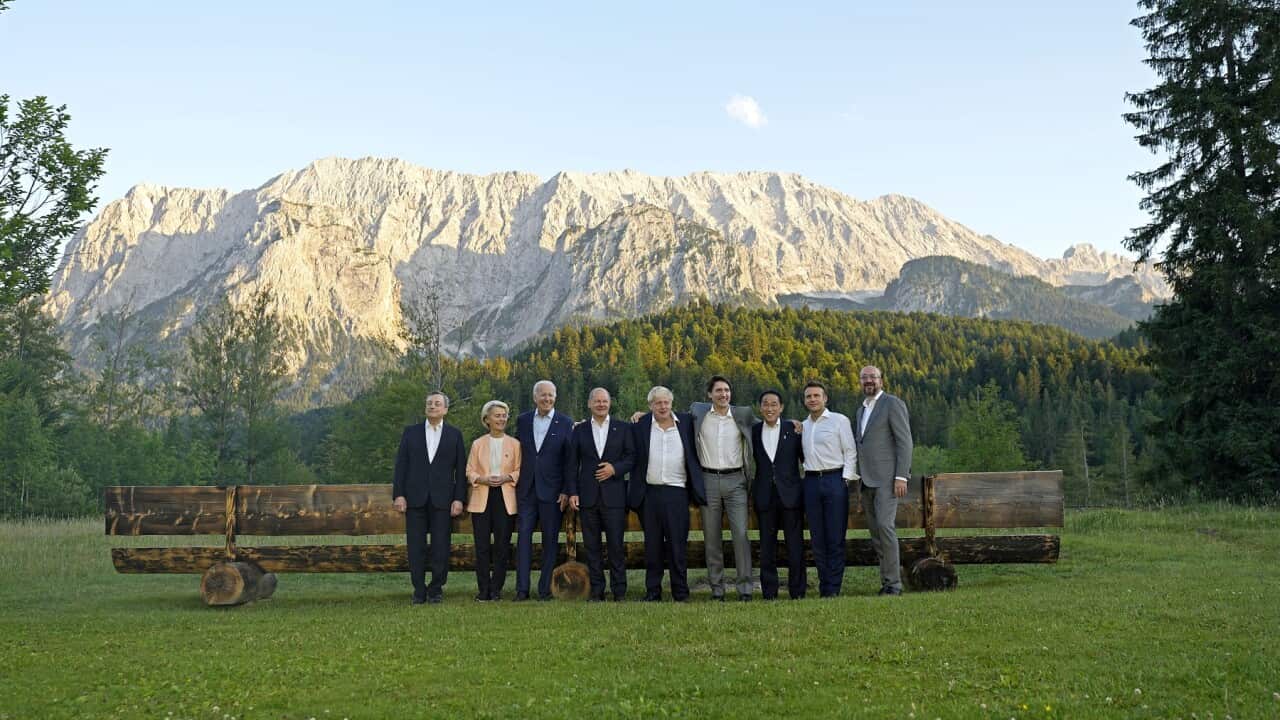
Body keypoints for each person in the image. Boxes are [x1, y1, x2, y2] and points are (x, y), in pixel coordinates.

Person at [626, 386, 707, 602]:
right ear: (650, 405)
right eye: (657, 403)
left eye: (666, 402)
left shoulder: (687, 422)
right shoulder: (640, 425)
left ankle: (680, 592)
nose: (662, 406)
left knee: (677, 545)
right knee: (652, 546)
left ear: (671, 403)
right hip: (649, 494)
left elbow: (712, 406)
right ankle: (653, 592)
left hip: (677, 493)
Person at [392, 391, 466, 605]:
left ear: (445, 409)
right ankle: (418, 589)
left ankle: (436, 589)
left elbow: (460, 470)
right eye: (429, 403)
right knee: (415, 547)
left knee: (441, 546)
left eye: (437, 403)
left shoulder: (454, 435)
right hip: (414, 499)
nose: (432, 406)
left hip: (444, 500)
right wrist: (399, 495)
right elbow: (401, 467)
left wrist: (459, 498)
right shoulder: (410, 433)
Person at [690, 375, 756, 601]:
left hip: (736, 480)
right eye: (718, 390)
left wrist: (793, 424)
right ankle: (717, 589)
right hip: (708, 480)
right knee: (712, 538)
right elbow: (668, 415)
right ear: (709, 394)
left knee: (740, 534)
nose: (723, 394)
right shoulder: (698, 413)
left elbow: (768, 423)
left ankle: (745, 588)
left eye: (727, 390)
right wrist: (643, 415)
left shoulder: (742, 414)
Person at [567, 388, 635, 601]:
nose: (601, 404)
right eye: (597, 401)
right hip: (587, 497)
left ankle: (619, 591)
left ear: (610, 403)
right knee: (592, 547)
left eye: (604, 401)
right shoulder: (579, 430)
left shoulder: (623, 428)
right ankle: (596, 591)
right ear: (589, 404)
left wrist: (615, 469)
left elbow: (632, 457)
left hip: (614, 496)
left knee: (616, 546)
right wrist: (572, 492)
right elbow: (571, 465)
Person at [854, 366, 914, 596]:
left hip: (888, 480)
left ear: (881, 380)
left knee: (886, 528)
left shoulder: (892, 403)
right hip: (866, 481)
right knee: (876, 533)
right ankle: (887, 582)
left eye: (873, 377)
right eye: (864, 378)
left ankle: (894, 585)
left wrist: (901, 476)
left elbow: (905, 441)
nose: (868, 381)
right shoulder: (861, 410)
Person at [514, 380, 575, 601]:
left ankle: (544, 589)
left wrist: (567, 490)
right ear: (535, 397)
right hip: (526, 490)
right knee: (523, 540)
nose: (547, 399)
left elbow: (570, 461)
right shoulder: (522, 420)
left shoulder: (565, 422)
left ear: (555, 397)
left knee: (550, 541)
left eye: (550, 395)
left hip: (553, 492)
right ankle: (522, 589)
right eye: (543, 395)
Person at [800, 381, 857, 598]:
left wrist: (845, 480)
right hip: (811, 482)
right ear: (805, 401)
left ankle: (833, 588)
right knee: (817, 538)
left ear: (825, 399)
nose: (812, 399)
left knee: (834, 537)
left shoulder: (839, 421)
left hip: (835, 479)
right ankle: (825, 585)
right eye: (808, 396)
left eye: (816, 395)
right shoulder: (803, 426)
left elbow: (850, 452)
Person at [751, 389, 807, 600]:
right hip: (765, 495)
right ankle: (769, 592)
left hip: (791, 495)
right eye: (766, 404)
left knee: (795, 546)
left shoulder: (794, 429)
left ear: (781, 407)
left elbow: (805, 459)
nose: (770, 408)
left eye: (774, 404)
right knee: (767, 547)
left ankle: (798, 591)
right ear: (760, 408)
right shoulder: (754, 431)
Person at [465, 400, 520, 602]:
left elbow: (520, 469)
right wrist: (481, 479)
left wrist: (507, 477)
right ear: (486, 419)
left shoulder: (515, 444)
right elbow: (469, 470)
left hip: (505, 499)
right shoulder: (478, 444)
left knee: (502, 547)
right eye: (497, 416)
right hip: (482, 498)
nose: (502, 419)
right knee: (481, 547)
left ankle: (496, 589)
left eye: (504, 415)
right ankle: (483, 590)